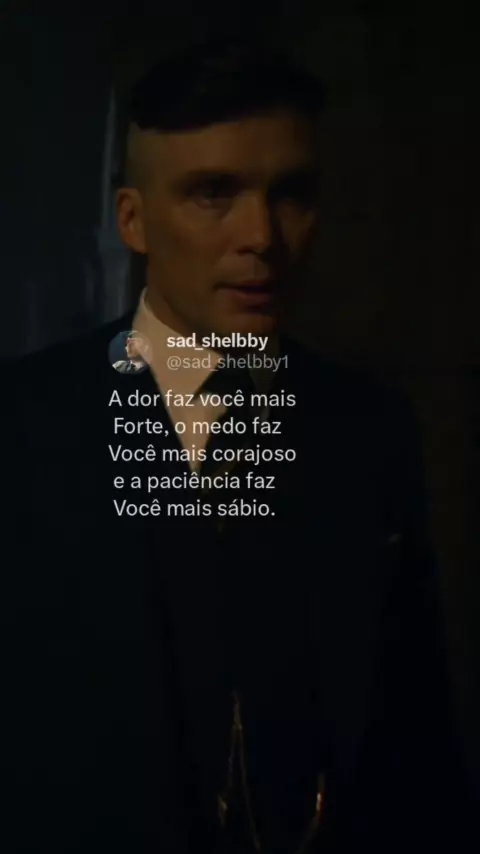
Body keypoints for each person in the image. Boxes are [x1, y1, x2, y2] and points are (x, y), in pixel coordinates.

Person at [2, 37, 474, 854]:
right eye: (213, 193)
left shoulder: (370, 428)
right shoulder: (23, 423)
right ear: (133, 220)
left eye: (291, 193)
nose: (262, 235)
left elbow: (414, 735)